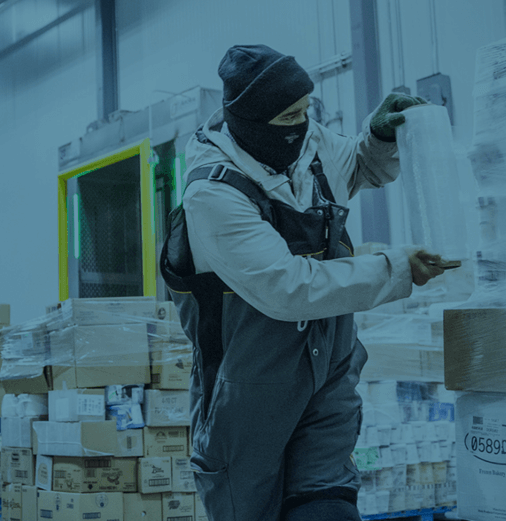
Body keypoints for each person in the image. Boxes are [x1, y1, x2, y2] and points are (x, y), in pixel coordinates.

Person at [164, 45, 455, 521]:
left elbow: (357, 166)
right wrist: (395, 267)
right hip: (252, 391)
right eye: (289, 116)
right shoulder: (213, 194)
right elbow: (288, 289)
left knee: (327, 507)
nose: (302, 124)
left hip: (329, 370)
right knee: (251, 510)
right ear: (254, 122)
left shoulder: (307, 146)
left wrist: (380, 137)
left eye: (305, 110)